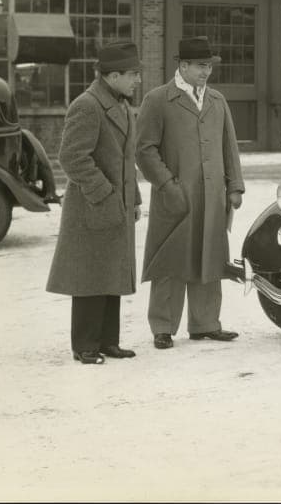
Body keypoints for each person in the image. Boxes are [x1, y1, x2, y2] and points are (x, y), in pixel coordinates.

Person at [136, 36, 245, 350]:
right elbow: (144, 150)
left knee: (210, 255)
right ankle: (163, 327)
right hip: (175, 197)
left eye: (209, 66)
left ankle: (206, 324)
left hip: (213, 197)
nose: (206, 72)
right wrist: (167, 186)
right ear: (182, 66)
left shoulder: (217, 100)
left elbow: (229, 147)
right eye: (200, 66)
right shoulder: (157, 100)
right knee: (170, 260)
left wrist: (235, 186)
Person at [46, 42, 143, 364]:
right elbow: (71, 157)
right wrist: (105, 193)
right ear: (112, 75)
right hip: (93, 205)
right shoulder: (87, 105)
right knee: (90, 276)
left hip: (114, 205)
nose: (137, 81)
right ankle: (85, 346)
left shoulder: (120, 104)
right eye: (132, 74)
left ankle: (107, 341)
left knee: (111, 272)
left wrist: (135, 198)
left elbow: (126, 159)